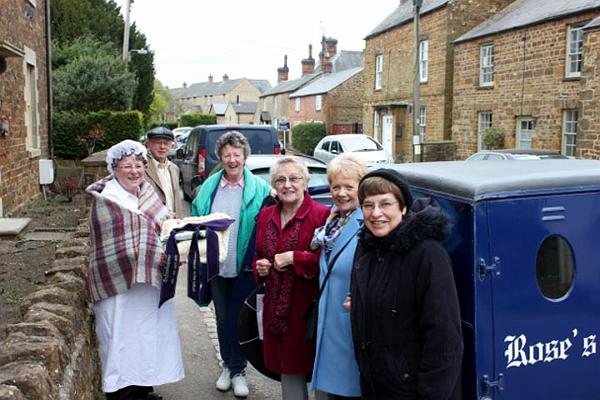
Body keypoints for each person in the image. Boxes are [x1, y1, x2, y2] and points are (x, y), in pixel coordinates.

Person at [349, 168, 463, 400]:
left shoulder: (427, 254)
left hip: (414, 391)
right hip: (376, 385)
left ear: (403, 208)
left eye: (385, 204)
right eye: (368, 205)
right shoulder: (367, 246)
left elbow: (445, 337)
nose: (376, 213)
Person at [86, 140, 184, 400]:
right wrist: (155, 248)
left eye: (139, 165)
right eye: (127, 166)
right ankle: (121, 394)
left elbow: (164, 227)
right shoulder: (107, 199)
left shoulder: (147, 192)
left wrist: (177, 241)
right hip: (120, 285)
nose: (134, 171)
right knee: (121, 339)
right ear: (114, 168)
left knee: (145, 336)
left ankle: (143, 389)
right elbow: (113, 243)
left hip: (147, 283)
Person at [191, 131, 271, 398]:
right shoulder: (209, 189)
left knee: (240, 320)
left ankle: (239, 371)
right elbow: (195, 219)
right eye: (227, 155)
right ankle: (228, 366)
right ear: (220, 157)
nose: (232, 159)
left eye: (237, 155)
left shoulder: (260, 189)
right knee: (223, 318)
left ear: (244, 157)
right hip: (216, 265)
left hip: (246, 266)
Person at [254, 156, 329, 400]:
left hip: (310, 311)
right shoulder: (266, 215)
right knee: (288, 373)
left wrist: (295, 258)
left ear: (305, 182)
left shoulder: (322, 215)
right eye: (280, 180)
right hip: (277, 310)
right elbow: (257, 256)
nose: (287, 185)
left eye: (294, 178)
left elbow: (328, 264)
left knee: (322, 375)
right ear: (273, 186)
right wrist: (260, 267)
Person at [310, 154, 366, 400]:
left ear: (361, 189)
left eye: (348, 187)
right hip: (330, 320)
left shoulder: (367, 223)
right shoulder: (333, 222)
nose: (341, 193)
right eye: (336, 186)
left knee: (350, 391)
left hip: (351, 324)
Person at [144, 126, 182, 218]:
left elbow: (177, 200)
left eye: (166, 143)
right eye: (158, 143)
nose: (162, 147)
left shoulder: (174, 168)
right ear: (148, 144)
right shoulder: (142, 167)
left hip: (172, 224)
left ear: (172, 145)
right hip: (152, 223)